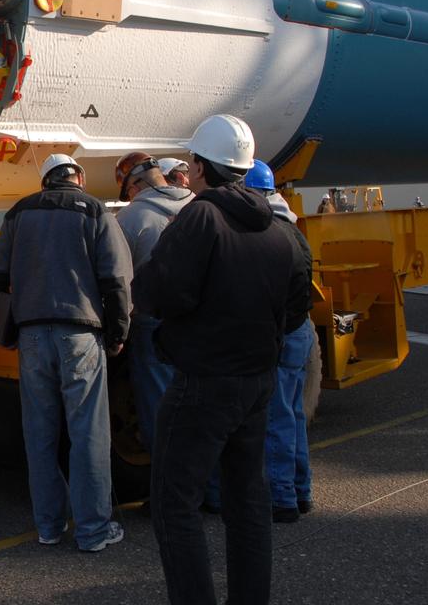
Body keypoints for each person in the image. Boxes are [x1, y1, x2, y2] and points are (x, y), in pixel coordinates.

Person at [137, 114, 307, 605]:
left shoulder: (201, 219)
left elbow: (161, 291)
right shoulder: (278, 229)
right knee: (247, 501)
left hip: (203, 382)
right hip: (257, 381)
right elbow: (297, 304)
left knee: (175, 505)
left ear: (202, 166)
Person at [0, 154, 133, 552]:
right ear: (78, 177)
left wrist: (4, 333)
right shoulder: (94, 210)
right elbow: (116, 278)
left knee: (39, 434)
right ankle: (93, 531)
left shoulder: (19, 213)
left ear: (46, 180)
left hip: (32, 337)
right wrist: (118, 332)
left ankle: (48, 527)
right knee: (88, 434)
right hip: (81, 336)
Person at [243, 161, 316, 525]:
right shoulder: (293, 227)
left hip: (279, 332)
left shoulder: (264, 230)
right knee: (294, 414)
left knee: (277, 418)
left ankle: (282, 499)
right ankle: (302, 491)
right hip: (299, 329)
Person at [113, 153, 194, 464]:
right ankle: (207, 486)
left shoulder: (131, 218)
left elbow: (119, 274)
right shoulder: (199, 206)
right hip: (197, 319)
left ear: (134, 185)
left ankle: (167, 487)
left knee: (158, 404)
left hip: (153, 323)